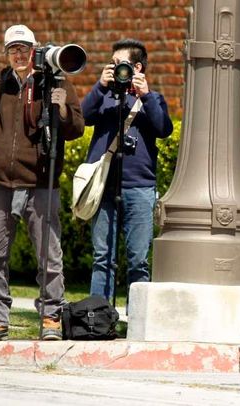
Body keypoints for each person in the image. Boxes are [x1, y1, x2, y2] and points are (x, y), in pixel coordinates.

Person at [0, 24, 85, 340]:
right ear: (6, 53)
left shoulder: (56, 82)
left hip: (41, 182)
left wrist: (61, 106)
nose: (19, 55)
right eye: (13, 49)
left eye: (24, 49)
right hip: (0, 183)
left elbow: (76, 128)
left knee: (49, 255)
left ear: (34, 51)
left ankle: (51, 318)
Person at [82, 39, 173, 302]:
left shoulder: (153, 98)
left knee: (138, 260)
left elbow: (163, 129)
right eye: (112, 64)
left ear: (137, 67)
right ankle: (98, 317)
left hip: (140, 187)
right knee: (102, 257)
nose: (115, 69)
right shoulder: (105, 96)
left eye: (119, 64)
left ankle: (138, 319)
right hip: (104, 186)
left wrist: (145, 96)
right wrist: (100, 86)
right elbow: (83, 117)